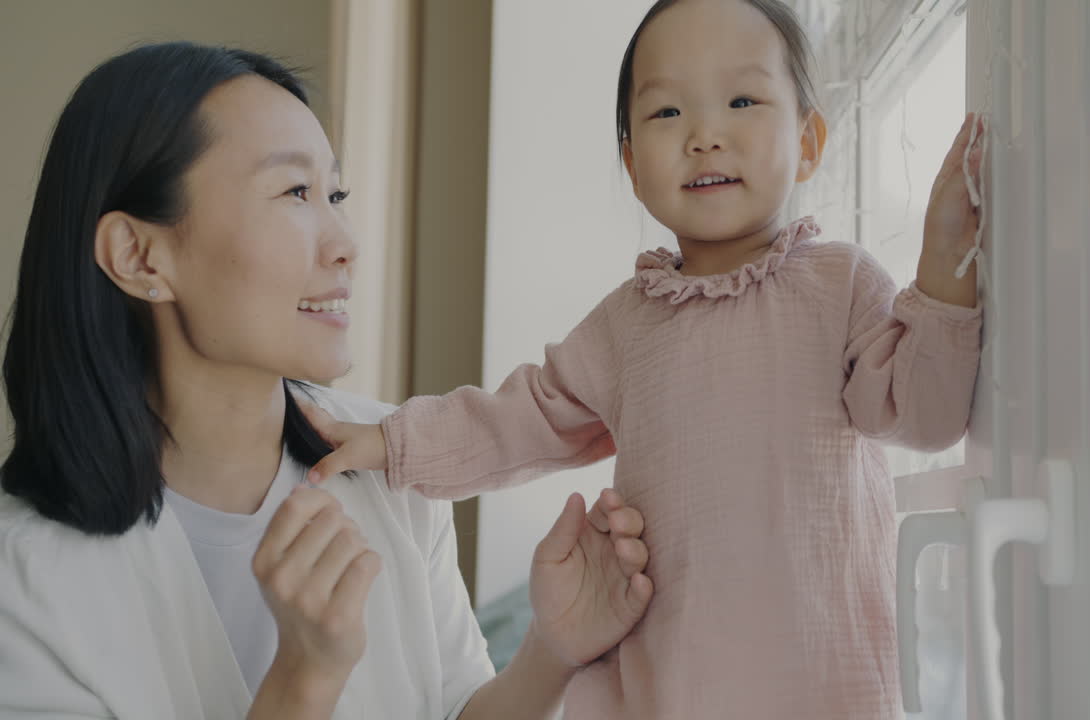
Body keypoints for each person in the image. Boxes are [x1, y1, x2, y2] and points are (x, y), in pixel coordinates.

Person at [307, 0, 986, 716]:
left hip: (826, 683)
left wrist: (946, 272)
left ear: (810, 140)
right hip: (673, 687)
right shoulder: (628, 324)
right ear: (631, 164)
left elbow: (927, 414)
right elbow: (520, 417)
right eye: (667, 114)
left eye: (743, 100)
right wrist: (392, 439)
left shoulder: (841, 282)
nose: (705, 136)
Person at [0, 42, 653, 719]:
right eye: (294, 193)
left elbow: (456, 706)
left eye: (335, 193)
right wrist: (304, 679)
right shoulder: (23, 583)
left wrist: (552, 653)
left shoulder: (390, 471)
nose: (345, 241)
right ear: (139, 256)